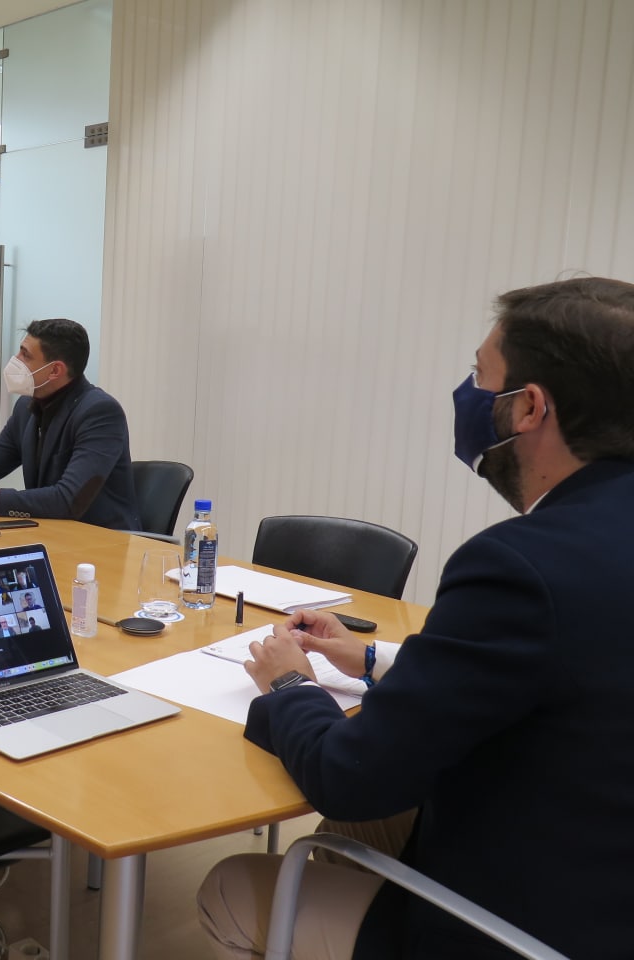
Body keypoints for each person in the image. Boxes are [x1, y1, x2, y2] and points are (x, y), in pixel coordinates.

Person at [198, 277, 634, 960]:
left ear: (529, 409)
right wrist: (373, 659)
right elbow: (568, 665)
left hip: (526, 928)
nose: (468, 395)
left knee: (230, 884)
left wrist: (289, 685)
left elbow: (348, 778)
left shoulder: (521, 565)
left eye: (479, 377)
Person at [0, 318, 138, 529]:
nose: (16, 360)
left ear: (55, 370)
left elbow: (67, 500)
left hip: (102, 543)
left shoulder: (99, 412)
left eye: (26, 355)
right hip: (50, 534)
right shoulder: (27, 406)